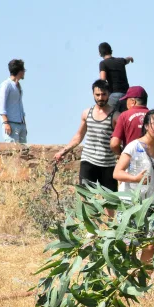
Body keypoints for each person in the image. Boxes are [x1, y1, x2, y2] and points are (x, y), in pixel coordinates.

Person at [113, 109, 154, 264]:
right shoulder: (133, 146)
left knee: (151, 245)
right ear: (146, 125)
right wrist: (135, 179)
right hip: (130, 204)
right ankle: (125, 275)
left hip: (152, 204)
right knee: (128, 245)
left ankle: (142, 275)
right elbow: (117, 173)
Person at [54, 80, 119, 210]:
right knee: (85, 197)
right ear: (93, 94)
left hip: (108, 164)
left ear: (109, 94)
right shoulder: (87, 113)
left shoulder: (116, 116)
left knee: (110, 201)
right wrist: (63, 151)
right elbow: (79, 136)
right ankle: (88, 223)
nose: (100, 98)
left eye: (104, 94)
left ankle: (111, 223)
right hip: (89, 161)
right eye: (97, 94)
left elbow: (119, 141)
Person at [109, 86, 154, 156]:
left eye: (126, 100)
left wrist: (122, 155)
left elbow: (114, 144)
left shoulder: (124, 116)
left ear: (133, 102)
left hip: (131, 161)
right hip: (152, 161)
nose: (126, 103)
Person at [98, 42, 133, 112]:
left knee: (110, 116)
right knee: (124, 117)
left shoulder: (103, 63)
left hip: (114, 95)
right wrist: (130, 58)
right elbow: (126, 60)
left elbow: (103, 81)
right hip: (126, 95)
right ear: (111, 51)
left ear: (100, 54)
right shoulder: (120, 60)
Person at [0, 59, 26, 143]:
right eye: (23, 70)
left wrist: (24, 124)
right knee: (12, 150)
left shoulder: (18, 86)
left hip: (21, 124)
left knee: (24, 150)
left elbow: (20, 106)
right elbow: (1, 105)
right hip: (11, 124)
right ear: (20, 71)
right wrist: (6, 123)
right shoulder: (6, 85)